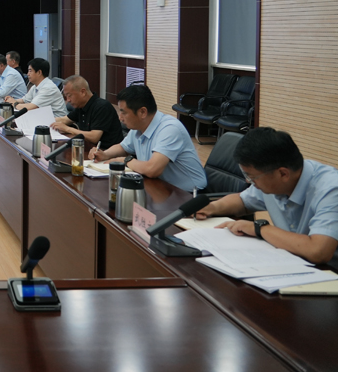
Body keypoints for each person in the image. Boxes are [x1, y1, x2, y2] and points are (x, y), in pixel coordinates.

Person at [195, 127, 338, 267]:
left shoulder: (331, 189)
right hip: (289, 262)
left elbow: (318, 251)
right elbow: (242, 201)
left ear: (283, 174)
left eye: (252, 177)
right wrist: (212, 207)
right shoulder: (274, 179)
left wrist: (260, 229)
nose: (248, 182)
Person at [89, 85, 207, 193]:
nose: (120, 118)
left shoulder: (170, 129)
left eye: (123, 113)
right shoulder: (138, 127)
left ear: (142, 112)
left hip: (190, 195)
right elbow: (123, 147)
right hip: (160, 188)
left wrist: (126, 161)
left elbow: (152, 169)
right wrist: (104, 154)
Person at [50, 75, 123, 149]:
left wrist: (67, 129)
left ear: (83, 92)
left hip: (106, 152)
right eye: (66, 96)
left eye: (69, 95)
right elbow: (64, 120)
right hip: (88, 149)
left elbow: (94, 137)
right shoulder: (81, 106)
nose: (68, 100)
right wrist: (46, 121)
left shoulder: (102, 107)